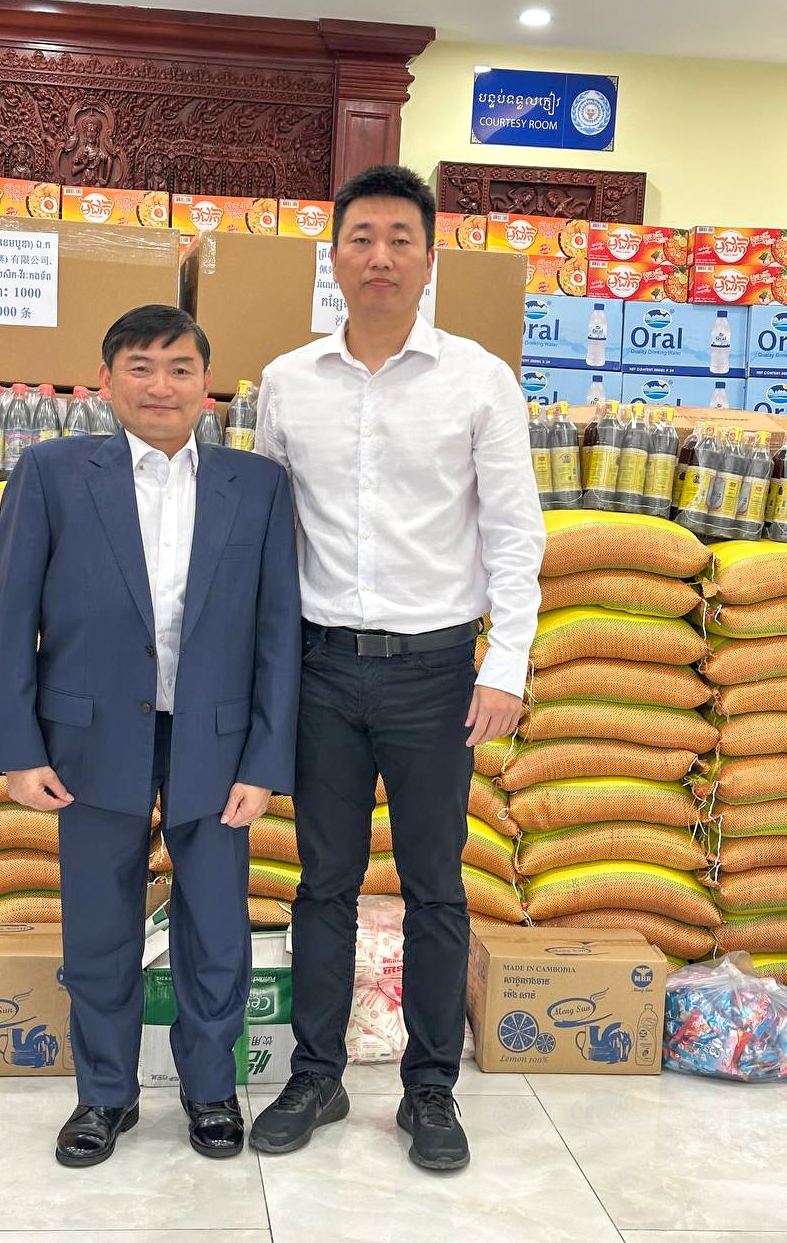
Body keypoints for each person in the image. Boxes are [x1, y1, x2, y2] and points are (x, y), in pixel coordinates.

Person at [250, 165, 545, 1172]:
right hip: (322, 668)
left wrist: (506, 663)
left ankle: (430, 1088)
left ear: (428, 260)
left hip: (437, 674)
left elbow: (515, 533)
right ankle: (316, 1073)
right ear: (334, 257)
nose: (380, 256)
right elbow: (269, 536)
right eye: (362, 238)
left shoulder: (478, 379)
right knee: (322, 881)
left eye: (400, 239)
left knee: (435, 885)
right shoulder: (287, 381)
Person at [0, 305, 301, 1167]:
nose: (161, 386)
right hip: (88, 740)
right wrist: (19, 747)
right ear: (106, 380)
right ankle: (104, 1095)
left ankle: (211, 1091)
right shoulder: (52, 473)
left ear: (208, 384)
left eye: (179, 368)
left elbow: (278, 632)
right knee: (99, 925)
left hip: (217, 741)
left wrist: (266, 759)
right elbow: (10, 618)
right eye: (140, 367)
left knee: (217, 926)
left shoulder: (256, 486)